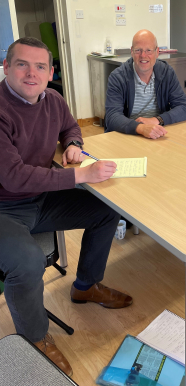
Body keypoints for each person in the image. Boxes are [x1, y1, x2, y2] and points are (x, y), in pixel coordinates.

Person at [0, 37, 133, 378]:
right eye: (22, 64)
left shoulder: (53, 99)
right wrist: (80, 175)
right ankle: (35, 339)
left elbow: (70, 126)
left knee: (105, 208)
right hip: (4, 208)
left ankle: (86, 285)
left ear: (50, 72)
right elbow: (13, 177)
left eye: (40, 66)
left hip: (40, 200)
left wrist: (73, 143)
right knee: (27, 262)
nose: (32, 73)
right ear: (6, 67)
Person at [105, 29, 186, 139]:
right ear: (131, 51)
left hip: (157, 133)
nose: (143, 55)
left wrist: (157, 120)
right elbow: (112, 117)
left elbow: (184, 108)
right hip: (127, 135)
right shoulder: (118, 77)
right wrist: (141, 128)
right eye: (138, 50)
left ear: (157, 52)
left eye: (149, 50)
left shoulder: (166, 73)